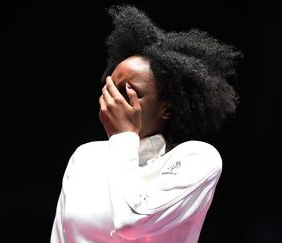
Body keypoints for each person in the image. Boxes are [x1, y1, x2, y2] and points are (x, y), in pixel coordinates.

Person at [51, 4, 242, 243]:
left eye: (130, 93)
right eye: (111, 89)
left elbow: (132, 223)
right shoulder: (86, 156)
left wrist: (123, 137)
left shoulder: (198, 159)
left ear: (166, 109)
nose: (115, 100)